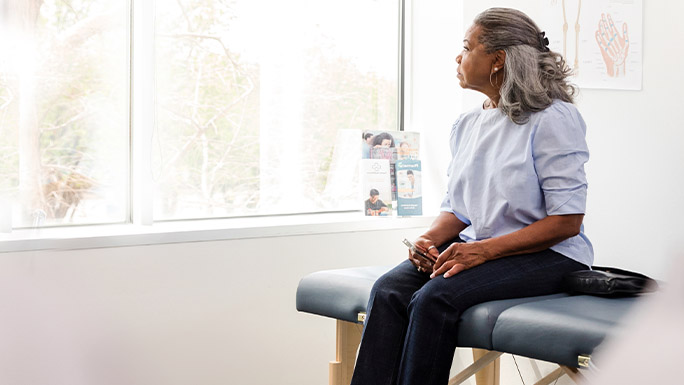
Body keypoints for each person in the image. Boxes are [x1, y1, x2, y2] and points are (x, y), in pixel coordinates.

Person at [350, 8, 593, 385]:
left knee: (435, 298)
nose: (458, 57)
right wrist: (430, 239)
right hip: (482, 247)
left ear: (498, 60)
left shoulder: (553, 119)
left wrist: (481, 251)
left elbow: (567, 221)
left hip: (551, 256)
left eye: (467, 47)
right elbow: (458, 208)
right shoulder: (467, 124)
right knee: (389, 290)